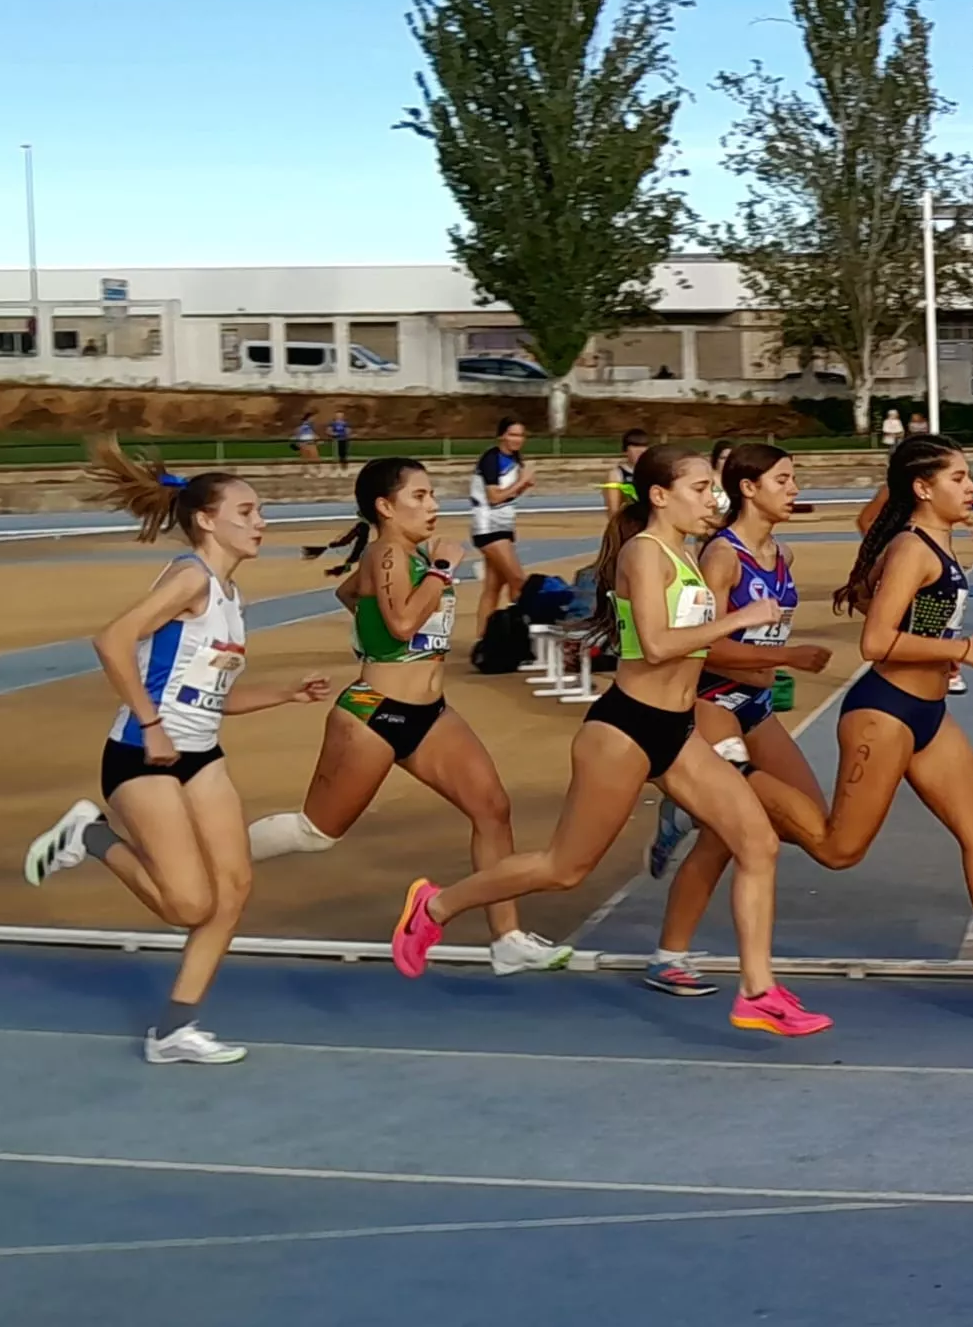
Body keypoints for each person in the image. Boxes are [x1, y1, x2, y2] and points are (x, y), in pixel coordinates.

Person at [391, 444, 831, 1037]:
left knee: (757, 843)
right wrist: (738, 622)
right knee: (564, 867)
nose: (713, 499)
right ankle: (435, 906)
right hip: (624, 729)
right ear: (659, 496)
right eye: (700, 489)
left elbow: (691, 645)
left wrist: (752, 655)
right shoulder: (644, 555)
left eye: (712, 489)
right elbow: (654, 645)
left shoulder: (690, 554)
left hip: (676, 731)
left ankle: (758, 992)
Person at [745, 437, 973, 1010]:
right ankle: (725, 788)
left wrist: (946, 645)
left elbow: (894, 610)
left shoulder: (931, 542)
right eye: (960, 478)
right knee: (839, 850)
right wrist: (961, 648)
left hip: (927, 715)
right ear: (923, 488)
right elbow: (876, 641)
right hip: (882, 715)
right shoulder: (913, 548)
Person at [22, 440, 330, 1064]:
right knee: (189, 904)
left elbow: (210, 696)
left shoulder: (230, 598)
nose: (261, 522)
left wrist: (283, 694)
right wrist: (151, 723)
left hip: (200, 756)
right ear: (207, 520)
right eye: (247, 511)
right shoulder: (190, 578)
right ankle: (90, 837)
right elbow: (110, 640)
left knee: (234, 888)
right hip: (142, 755)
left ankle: (174, 1030)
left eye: (260, 511)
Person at [248, 459, 571, 974]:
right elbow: (400, 626)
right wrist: (441, 573)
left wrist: (377, 621)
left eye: (431, 495)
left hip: (429, 715)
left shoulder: (403, 557)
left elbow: (350, 594)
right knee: (316, 832)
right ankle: (214, 861)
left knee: (492, 809)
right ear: (385, 507)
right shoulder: (388, 553)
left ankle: (506, 937)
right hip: (373, 715)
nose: (433, 505)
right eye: (419, 496)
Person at [642, 444, 835, 995]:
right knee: (729, 834)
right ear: (748, 488)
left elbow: (761, 634)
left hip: (757, 705)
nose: (795, 489)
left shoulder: (785, 554)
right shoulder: (721, 557)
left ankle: (688, 808)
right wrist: (787, 657)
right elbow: (704, 648)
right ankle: (669, 955)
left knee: (816, 829)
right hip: (711, 702)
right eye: (784, 479)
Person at [469, 417, 535, 645]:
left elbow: (508, 496)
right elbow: (494, 497)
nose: (518, 440)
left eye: (521, 435)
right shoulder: (491, 459)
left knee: (494, 586)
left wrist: (522, 486)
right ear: (502, 436)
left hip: (504, 527)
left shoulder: (514, 459)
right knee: (518, 580)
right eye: (513, 434)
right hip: (488, 527)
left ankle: (483, 640)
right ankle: (522, 637)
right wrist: (522, 481)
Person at [604, 428, 649, 519]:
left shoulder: (655, 471)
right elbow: (613, 511)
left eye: (643, 446)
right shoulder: (616, 475)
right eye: (635, 446)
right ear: (625, 450)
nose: (640, 451)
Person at [709, 438, 736, 521]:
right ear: (716, 459)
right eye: (723, 458)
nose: (727, 461)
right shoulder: (708, 480)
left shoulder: (736, 480)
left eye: (730, 458)